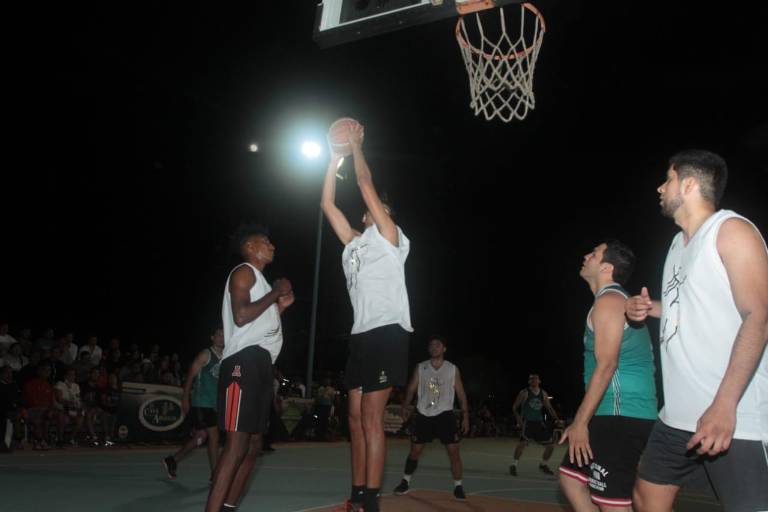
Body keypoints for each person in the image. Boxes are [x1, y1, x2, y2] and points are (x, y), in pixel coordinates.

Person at [625, 150, 768, 512]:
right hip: (678, 416)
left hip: (733, 415)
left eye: (668, 179)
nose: (660, 187)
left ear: (688, 184)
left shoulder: (731, 231)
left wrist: (725, 405)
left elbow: (759, 316)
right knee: (647, 497)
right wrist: (650, 308)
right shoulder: (678, 244)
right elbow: (689, 309)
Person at [321, 122, 413, 512]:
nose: (379, 208)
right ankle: (358, 492)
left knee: (372, 419)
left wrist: (356, 147)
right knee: (355, 419)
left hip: (387, 331)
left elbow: (362, 183)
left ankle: (371, 501)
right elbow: (327, 205)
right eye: (375, 209)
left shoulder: (391, 237)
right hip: (361, 336)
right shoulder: (353, 245)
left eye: (384, 205)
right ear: (364, 219)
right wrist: (331, 161)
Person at [558, 240, 657, 511]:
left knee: (612, 504)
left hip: (620, 414)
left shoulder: (610, 301)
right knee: (571, 479)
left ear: (606, 267)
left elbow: (607, 365)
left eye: (594, 253)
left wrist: (580, 423)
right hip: (618, 413)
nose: (586, 255)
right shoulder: (612, 300)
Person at [206, 224, 294, 512]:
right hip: (241, 364)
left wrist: (279, 306)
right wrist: (275, 294)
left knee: (254, 445)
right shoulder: (244, 271)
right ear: (250, 248)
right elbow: (241, 316)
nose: (272, 246)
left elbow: (258, 324)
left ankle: (228, 507)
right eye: (265, 242)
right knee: (236, 445)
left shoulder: (263, 283)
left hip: (261, 365)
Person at [393, 336, 470, 501]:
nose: (434, 347)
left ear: (444, 349)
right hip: (423, 414)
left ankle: (458, 486)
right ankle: (405, 482)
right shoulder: (421, 367)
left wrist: (465, 416)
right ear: (429, 350)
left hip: (445, 415)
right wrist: (405, 406)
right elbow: (412, 388)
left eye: (438, 345)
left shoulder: (452, 369)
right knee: (415, 451)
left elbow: (461, 393)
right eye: (431, 345)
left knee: (454, 453)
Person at [163, 327, 224, 481]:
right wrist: (185, 398)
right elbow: (190, 376)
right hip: (202, 402)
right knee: (214, 436)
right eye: (218, 335)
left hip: (214, 404)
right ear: (212, 337)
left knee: (201, 437)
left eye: (224, 335)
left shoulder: (225, 356)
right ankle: (215, 475)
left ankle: (173, 459)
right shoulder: (206, 354)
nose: (222, 338)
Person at [510, 374, 561, 476]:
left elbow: (549, 408)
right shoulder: (524, 393)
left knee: (551, 445)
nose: (533, 381)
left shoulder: (543, 394)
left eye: (535, 379)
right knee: (522, 444)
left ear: (539, 381)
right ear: (529, 382)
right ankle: (514, 465)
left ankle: (543, 465)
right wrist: (518, 419)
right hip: (527, 422)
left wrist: (557, 419)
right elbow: (515, 407)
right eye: (531, 379)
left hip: (539, 423)